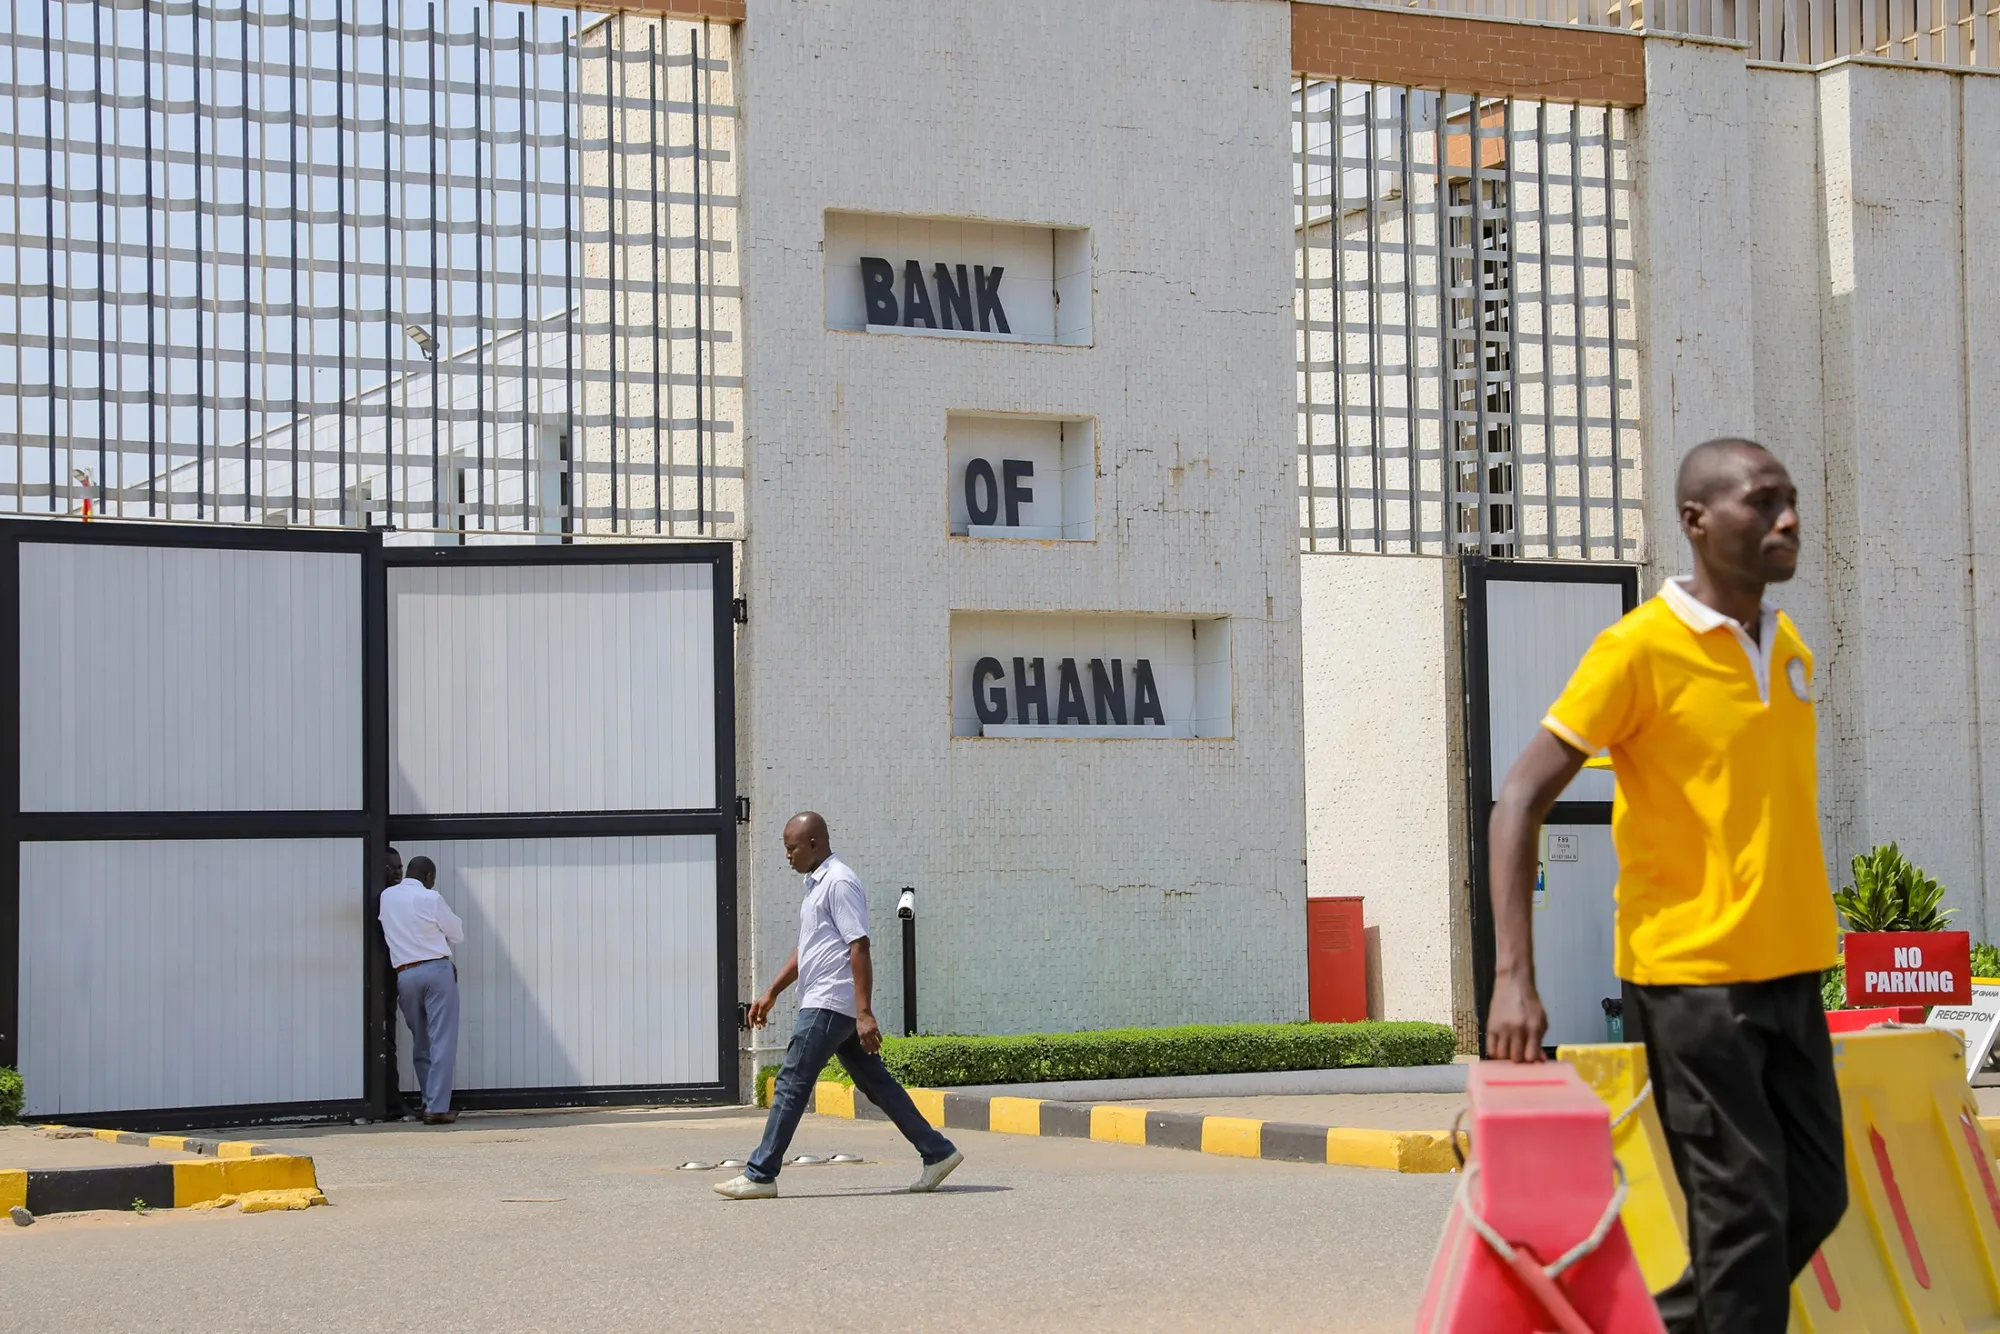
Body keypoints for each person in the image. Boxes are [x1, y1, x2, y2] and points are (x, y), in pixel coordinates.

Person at [1485, 437, 1846, 1333]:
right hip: (1692, 978)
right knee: (1744, 1222)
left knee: (1813, 1200)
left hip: (1792, 967)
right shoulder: (1638, 649)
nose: (1788, 519)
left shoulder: (1787, 644)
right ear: (1696, 521)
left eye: (1790, 500)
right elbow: (1521, 798)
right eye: (1763, 502)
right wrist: (1513, 976)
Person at [714, 812, 963, 1200]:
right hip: (832, 1004)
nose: (787, 855)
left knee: (791, 1084)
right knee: (877, 1085)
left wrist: (865, 1012)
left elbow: (859, 945)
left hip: (829, 1004)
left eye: (791, 847)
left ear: (814, 843)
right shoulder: (815, 886)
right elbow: (809, 949)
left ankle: (760, 1174)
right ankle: (938, 1152)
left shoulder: (839, 881)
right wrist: (772, 992)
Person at [379, 855, 465, 1126]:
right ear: (428, 877)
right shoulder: (431, 898)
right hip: (436, 971)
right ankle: (437, 1108)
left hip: (405, 974)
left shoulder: (387, 897)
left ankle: (430, 1101)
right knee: (442, 1040)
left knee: (422, 1041)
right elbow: (457, 933)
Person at [379, 846, 418, 1121]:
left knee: (389, 1039)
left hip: (396, 974)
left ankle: (391, 1100)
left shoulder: (401, 899)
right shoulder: (380, 899)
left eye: (400, 867)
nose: (396, 872)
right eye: (390, 867)